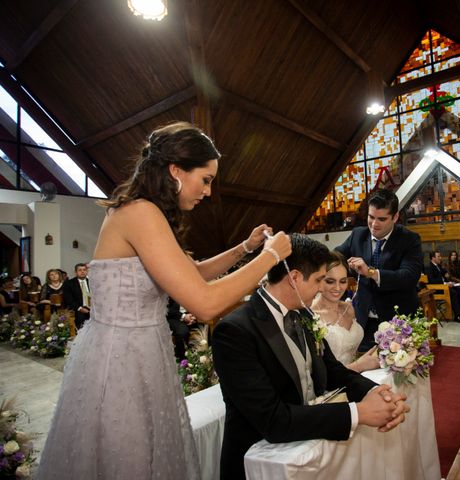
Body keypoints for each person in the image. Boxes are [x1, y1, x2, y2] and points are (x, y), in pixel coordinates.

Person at [37, 121, 292, 480]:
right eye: (205, 179)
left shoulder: (146, 213)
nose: (208, 191)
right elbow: (203, 303)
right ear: (175, 171)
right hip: (122, 359)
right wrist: (269, 257)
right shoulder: (141, 213)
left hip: (142, 351)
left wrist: (246, 248)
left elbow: (194, 273)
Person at [212, 233, 410, 480]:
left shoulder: (302, 315)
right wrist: (358, 413)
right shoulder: (234, 331)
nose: (320, 288)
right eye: (318, 280)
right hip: (259, 462)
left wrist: (375, 392)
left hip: (304, 450)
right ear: (294, 278)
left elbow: (332, 370)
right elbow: (273, 420)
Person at [335, 189, 423, 351]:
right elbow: (336, 256)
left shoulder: (409, 239)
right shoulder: (357, 235)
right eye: (371, 217)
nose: (374, 224)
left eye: (382, 219)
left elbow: (409, 276)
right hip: (364, 322)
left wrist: (370, 272)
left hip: (397, 323)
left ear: (395, 217)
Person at [311, 251, 380, 372]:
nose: (338, 288)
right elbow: (316, 372)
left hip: (357, 377)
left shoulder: (348, 308)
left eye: (342, 281)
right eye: (330, 281)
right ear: (319, 279)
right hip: (332, 386)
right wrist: (359, 366)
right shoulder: (311, 314)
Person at [424, 251, 460, 323]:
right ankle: (457, 316)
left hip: (444, 286)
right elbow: (432, 281)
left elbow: (445, 274)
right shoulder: (429, 268)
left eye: (440, 256)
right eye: (438, 256)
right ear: (433, 258)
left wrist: (447, 278)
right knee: (453, 292)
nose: (440, 258)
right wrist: (445, 283)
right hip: (437, 289)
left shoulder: (438, 265)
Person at [166, 297, 198, 361]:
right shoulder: (169, 289)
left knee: (206, 325)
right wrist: (183, 316)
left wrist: (193, 316)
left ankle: (203, 356)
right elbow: (167, 309)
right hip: (173, 317)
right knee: (182, 331)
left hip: (189, 314)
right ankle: (183, 360)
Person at [62, 263, 92, 330]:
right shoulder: (69, 283)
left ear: (87, 271)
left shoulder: (91, 282)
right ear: (75, 272)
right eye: (80, 270)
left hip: (92, 308)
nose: (82, 272)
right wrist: (80, 308)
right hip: (77, 308)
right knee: (80, 318)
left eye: (84, 270)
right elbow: (68, 299)